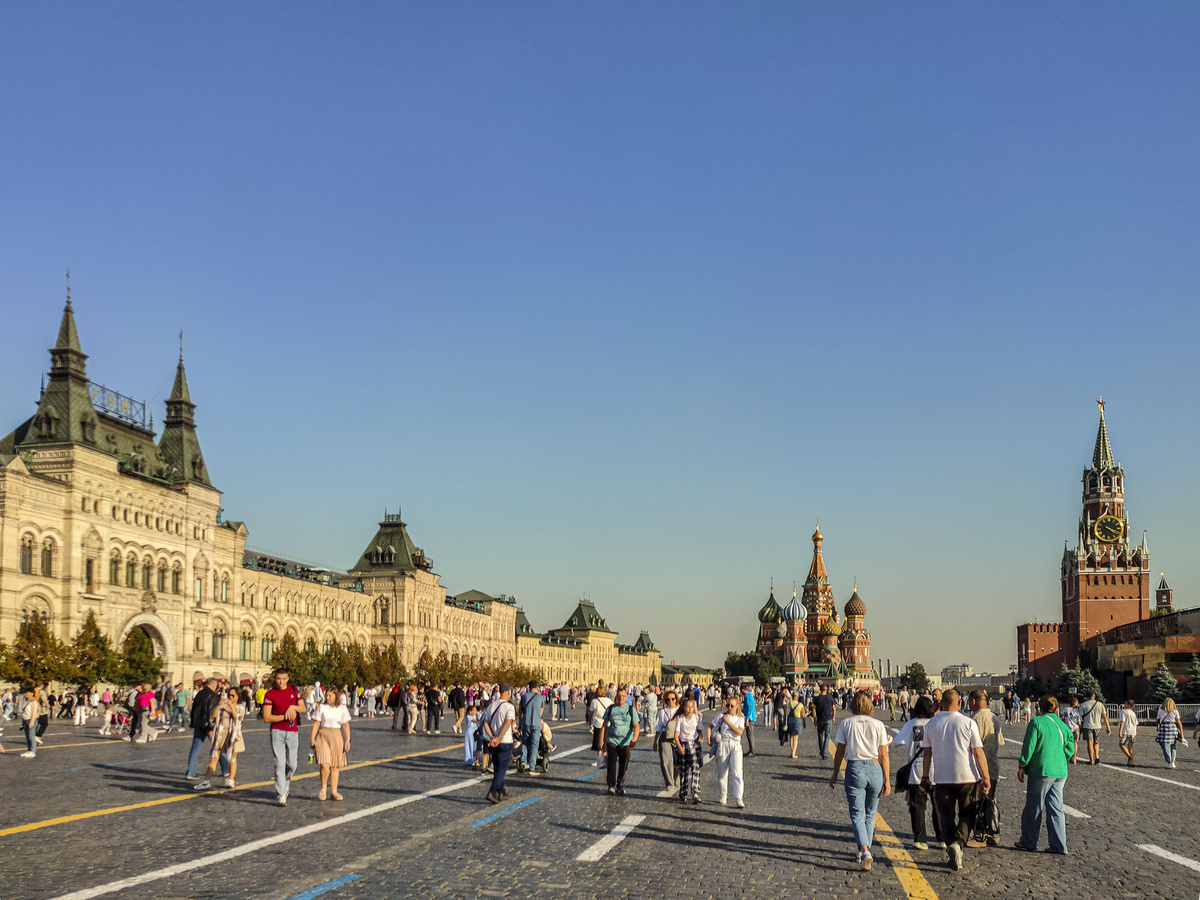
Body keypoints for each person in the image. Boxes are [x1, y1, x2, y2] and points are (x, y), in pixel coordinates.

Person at [919, 689, 990, 871]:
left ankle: (951, 843)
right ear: (960, 703)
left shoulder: (931, 724)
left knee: (946, 817)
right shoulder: (968, 723)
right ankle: (958, 843)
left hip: (942, 778)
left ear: (941, 703)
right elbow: (978, 752)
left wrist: (925, 776)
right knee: (968, 813)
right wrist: (986, 777)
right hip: (968, 777)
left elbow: (927, 753)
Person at [829, 691, 891, 871]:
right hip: (875, 768)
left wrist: (834, 773)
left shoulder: (846, 724)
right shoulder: (878, 725)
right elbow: (884, 754)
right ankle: (864, 850)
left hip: (855, 768)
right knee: (870, 812)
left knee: (857, 813)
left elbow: (840, 751)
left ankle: (864, 850)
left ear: (852, 705)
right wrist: (887, 780)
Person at [1015, 695, 1074, 855]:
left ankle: (1028, 841)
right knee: (1056, 808)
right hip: (1060, 771)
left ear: (1039, 707)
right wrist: (1060, 756)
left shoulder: (1036, 722)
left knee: (1034, 806)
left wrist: (1022, 765)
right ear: (1055, 708)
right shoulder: (1062, 725)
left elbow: (1029, 746)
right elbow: (1071, 748)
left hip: (1041, 771)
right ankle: (1059, 845)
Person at [891, 695, 939, 850]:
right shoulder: (936, 723)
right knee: (939, 805)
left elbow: (897, 743)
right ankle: (942, 838)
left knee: (918, 805)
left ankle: (920, 839)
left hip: (916, 769)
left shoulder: (911, 724)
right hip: (936, 769)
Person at [262, 668, 306, 806]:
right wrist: (283, 716)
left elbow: (303, 708)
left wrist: (293, 707)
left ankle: (286, 783)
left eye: (283, 679)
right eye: (278, 679)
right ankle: (281, 793)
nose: (281, 682)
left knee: (292, 764)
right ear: (275, 679)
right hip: (277, 731)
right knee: (279, 763)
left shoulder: (294, 690)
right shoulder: (270, 694)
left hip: (292, 731)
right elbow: (267, 717)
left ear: (287, 679)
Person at [968, 689, 1004, 847]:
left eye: (969, 701)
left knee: (979, 801)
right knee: (990, 800)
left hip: (979, 767)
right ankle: (993, 832)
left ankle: (980, 835)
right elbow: (1000, 742)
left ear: (974, 701)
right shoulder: (994, 718)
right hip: (994, 764)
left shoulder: (975, 718)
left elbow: (972, 745)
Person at [194, 687, 245, 791]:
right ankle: (206, 781)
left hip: (233, 735)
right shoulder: (223, 706)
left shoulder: (240, 707)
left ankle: (231, 779)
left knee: (232, 758)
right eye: (229, 695)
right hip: (221, 734)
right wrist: (218, 705)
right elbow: (213, 716)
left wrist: (231, 706)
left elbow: (238, 718)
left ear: (238, 697)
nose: (230, 697)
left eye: (233, 695)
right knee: (214, 757)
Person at [310, 683, 352, 800]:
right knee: (324, 764)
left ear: (336, 696)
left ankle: (334, 791)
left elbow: (345, 725)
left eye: (330, 696)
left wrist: (347, 740)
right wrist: (312, 738)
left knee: (335, 765)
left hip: (336, 735)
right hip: (323, 735)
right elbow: (316, 723)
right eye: (326, 695)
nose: (327, 698)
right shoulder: (322, 707)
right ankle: (323, 788)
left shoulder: (342, 708)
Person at [601, 685, 640, 795]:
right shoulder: (611, 709)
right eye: (619, 696)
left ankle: (620, 783)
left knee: (624, 764)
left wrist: (634, 739)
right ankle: (611, 785)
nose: (621, 698)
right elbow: (604, 725)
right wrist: (601, 740)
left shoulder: (631, 709)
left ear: (626, 696)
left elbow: (636, 725)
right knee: (611, 764)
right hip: (612, 740)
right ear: (616, 696)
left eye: (623, 696)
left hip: (626, 742)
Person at [708, 695, 746, 808]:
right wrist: (709, 739)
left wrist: (728, 722)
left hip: (735, 745)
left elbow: (739, 732)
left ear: (737, 706)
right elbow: (709, 726)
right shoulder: (721, 716)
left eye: (732, 706)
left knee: (737, 772)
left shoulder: (740, 718)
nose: (729, 708)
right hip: (723, 744)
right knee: (722, 773)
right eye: (728, 705)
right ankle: (723, 795)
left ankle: (739, 798)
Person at [483, 683, 516, 804]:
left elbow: (485, 723)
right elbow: (508, 723)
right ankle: (493, 791)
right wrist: (499, 737)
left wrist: (492, 737)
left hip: (493, 742)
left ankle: (502, 791)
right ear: (507, 692)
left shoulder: (492, 705)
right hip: (505, 741)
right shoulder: (509, 707)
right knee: (502, 769)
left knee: (497, 768)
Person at [186, 678, 222, 780]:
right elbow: (210, 712)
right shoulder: (213, 696)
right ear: (214, 685)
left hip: (198, 724)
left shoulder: (199, 694)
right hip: (208, 725)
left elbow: (195, 710)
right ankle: (226, 769)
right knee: (218, 747)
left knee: (195, 749)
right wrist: (210, 727)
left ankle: (190, 771)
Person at [673, 697, 704, 804]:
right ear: (684, 708)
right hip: (683, 745)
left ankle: (696, 792)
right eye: (688, 707)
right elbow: (676, 735)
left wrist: (700, 737)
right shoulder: (680, 718)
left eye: (692, 707)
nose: (690, 709)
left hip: (694, 746)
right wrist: (680, 748)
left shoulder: (697, 718)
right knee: (684, 770)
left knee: (695, 769)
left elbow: (700, 731)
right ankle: (683, 792)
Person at [654, 689, 680, 794]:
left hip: (678, 736)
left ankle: (676, 777)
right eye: (668, 699)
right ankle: (669, 783)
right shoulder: (662, 712)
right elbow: (659, 726)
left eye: (673, 699)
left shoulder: (681, 710)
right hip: (665, 736)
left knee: (678, 761)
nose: (670, 701)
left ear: (676, 699)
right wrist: (655, 741)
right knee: (666, 761)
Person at [517, 680, 545, 776]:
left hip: (526, 723)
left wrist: (520, 723)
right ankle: (532, 767)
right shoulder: (541, 698)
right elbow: (541, 712)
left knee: (525, 742)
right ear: (537, 687)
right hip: (536, 724)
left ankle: (523, 761)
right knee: (534, 745)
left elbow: (520, 711)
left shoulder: (524, 697)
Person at [1077, 691, 1110, 765]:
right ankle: (1097, 757)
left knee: (1090, 743)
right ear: (1094, 696)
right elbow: (1104, 716)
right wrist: (1108, 727)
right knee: (1096, 742)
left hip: (1087, 726)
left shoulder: (1083, 705)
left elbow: (1080, 717)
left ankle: (1091, 759)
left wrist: (1080, 727)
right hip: (1097, 726)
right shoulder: (1100, 704)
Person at [809, 684, 837, 760]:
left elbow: (813, 709)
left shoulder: (817, 699)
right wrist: (833, 717)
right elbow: (834, 708)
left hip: (820, 719)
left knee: (820, 736)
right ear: (827, 689)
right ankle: (824, 753)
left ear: (820, 690)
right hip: (828, 719)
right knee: (828, 736)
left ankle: (822, 751)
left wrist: (814, 719)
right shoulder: (830, 698)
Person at [1155, 698, 1184, 769]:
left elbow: (1158, 720)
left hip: (1164, 728)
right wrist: (1182, 733)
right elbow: (1179, 722)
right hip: (1173, 728)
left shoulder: (1160, 710)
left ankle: (1169, 760)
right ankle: (1172, 761)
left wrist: (1158, 726)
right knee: (1173, 745)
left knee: (1165, 745)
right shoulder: (1175, 711)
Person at [588, 689, 613, 768]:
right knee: (605, 740)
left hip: (598, 723)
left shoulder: (594, 701)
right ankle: (604, 758)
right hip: (607, 723)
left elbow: (591, 712)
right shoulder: (609, 700)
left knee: (598, 741)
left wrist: (590, 718)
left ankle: (600, 759)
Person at [784, 691, 806, 759]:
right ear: (798, 697)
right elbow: (803, 715)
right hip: (797, 720)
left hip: (790, 719)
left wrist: (784, 722)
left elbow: (785, 713)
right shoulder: (800, 705)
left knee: (791, 736)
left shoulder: (788, 704)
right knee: (796, 737)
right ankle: (794, 753)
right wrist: (804, 722)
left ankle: (791, 752)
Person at [19, 688, 39, 758]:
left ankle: (33, 751)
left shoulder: (34, 702)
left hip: (31, 720)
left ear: (31, 693)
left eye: (26, 693)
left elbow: (34, 712)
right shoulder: (26, 701)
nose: (25, 694)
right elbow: (23, 712)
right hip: (25, 720)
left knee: (31, 737)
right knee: (27, 737)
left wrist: (32, 722)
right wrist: (22, 722)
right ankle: (29, 750)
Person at [740, 684, 757, 757]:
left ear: (743, 690)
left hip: (750, 718)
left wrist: (747, 719)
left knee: (750, 734)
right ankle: (751, 749)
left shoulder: (748, 697)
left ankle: (752, 750)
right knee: (749, 734)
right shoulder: (748, 696)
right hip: (748, 717)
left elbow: (749, 709)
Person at [1118, 699, 1137, 766]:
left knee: (1121, 744)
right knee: (1130, 746)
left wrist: (1120, 731)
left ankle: (1129, 757)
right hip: (1133, 732)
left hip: (1126, 731)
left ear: (1128, 705)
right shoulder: (1133, 713)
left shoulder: (1123, 712)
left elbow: (1122, 722)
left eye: (1125, 703)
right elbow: (1136, 723)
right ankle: (1131, 762)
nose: (1124, 705)